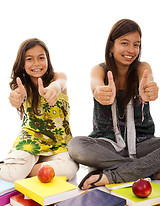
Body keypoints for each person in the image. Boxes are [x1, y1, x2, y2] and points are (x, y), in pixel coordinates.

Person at [68, 19, 159, 190]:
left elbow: (148, 79)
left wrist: (150, 89)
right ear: (111, 46)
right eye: (124, 43)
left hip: (142, 143)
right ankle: (148, 169)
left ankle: (113, 175)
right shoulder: (99, 70)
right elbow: (95, 83)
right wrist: (99, 92)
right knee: (75, 145)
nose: (131, 50)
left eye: (136, 45)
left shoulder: (142, 68)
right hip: (107, 144)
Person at [0, 38, 78, 182]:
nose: (36, 63)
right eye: (29, 59)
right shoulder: (23, 86)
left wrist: (52, 90)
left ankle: (27, 170)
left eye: (41, 58)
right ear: (22, 64)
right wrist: (16, 97)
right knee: (13, 174)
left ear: (48, 59)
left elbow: (60, 83)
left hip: (58, 143)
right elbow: (18, 95)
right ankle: (21, 168)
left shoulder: (58, 76)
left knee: (69, 169)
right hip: (31, 140)